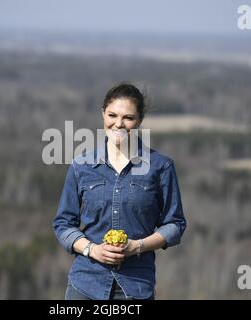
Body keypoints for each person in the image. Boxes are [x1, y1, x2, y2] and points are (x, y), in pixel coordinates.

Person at [53, 83, 186, 300]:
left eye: (128, 118)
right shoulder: (82, 166)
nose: (119, 124)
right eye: (112, 115)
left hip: (136, 287)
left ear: (140, 120)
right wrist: (91, 249)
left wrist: (137, 246)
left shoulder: (161, 167)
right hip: (85, 285)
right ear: (102, 114)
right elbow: (63, 223)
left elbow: (175, 225)